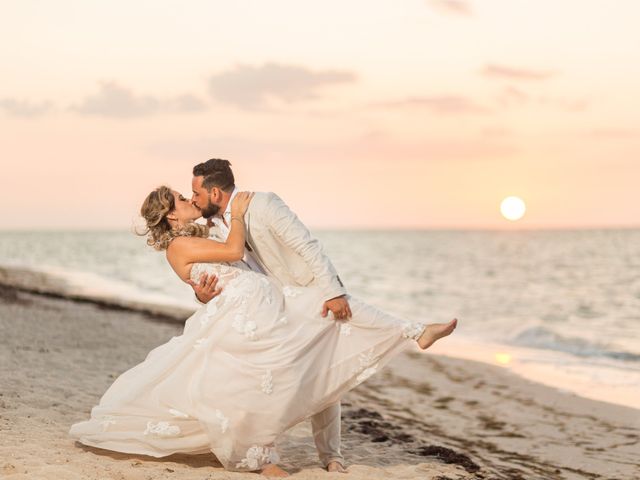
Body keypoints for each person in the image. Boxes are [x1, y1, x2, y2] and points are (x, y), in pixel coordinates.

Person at [69, 184, 457, 477]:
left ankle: (414, 330)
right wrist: (238, 213)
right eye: (182, 200)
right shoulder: (179, 247)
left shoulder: (197, 236)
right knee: (262, 380)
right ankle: (262, 455)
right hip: (244, 314)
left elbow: (222, 271)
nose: (190, 201)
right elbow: (235, 254)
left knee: (331, 312)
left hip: (267, 303)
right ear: (171, 216)